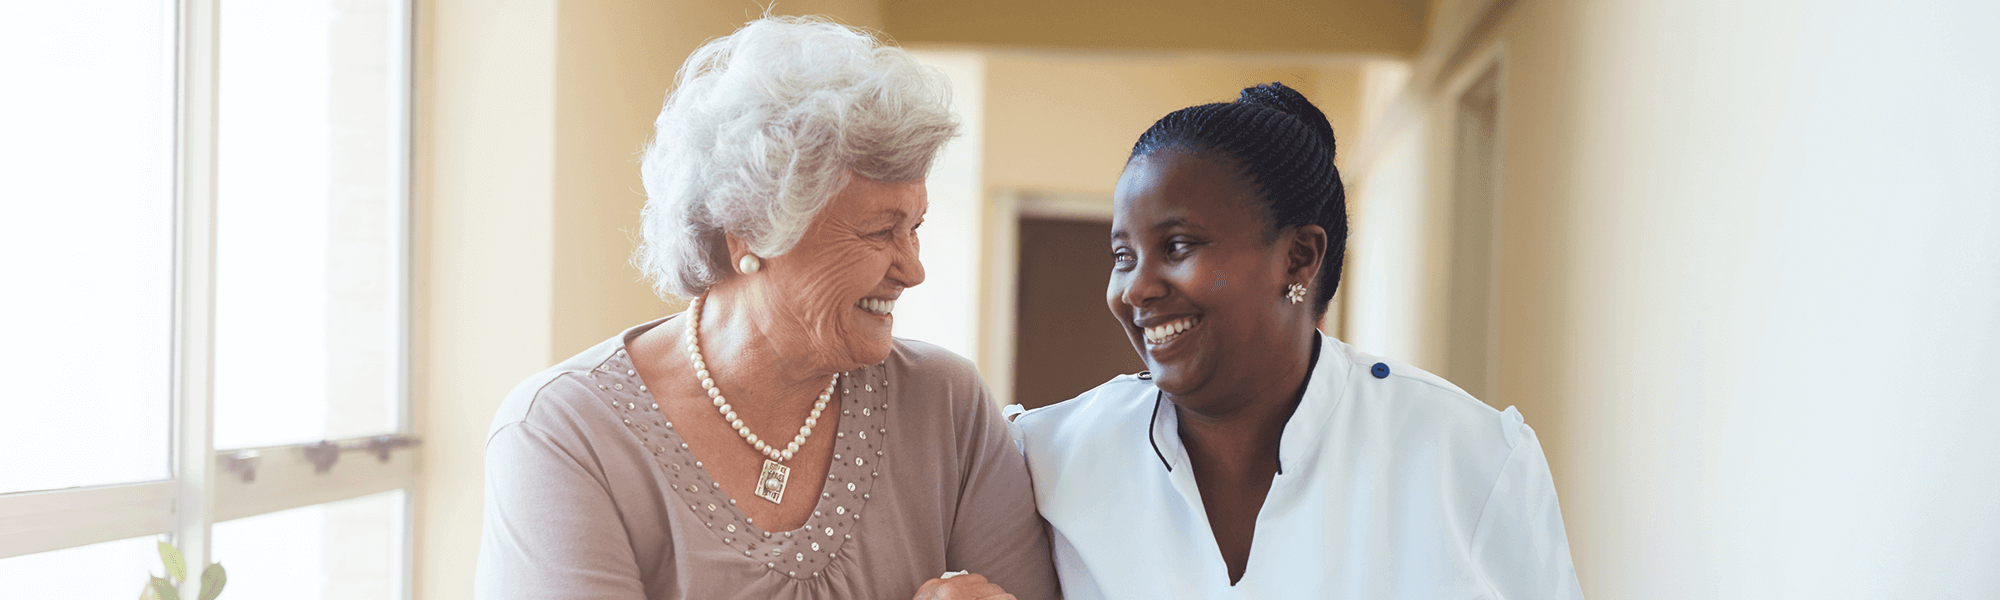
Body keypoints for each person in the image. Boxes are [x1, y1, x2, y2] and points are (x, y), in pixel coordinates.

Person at [475, 17, 1056, 600]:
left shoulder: (944, 406)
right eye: (880, 232)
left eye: (916, 227)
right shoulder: (565, 433)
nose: (912, 269)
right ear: (748, 232)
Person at [1008, 82, 1583, 598]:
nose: (1136, 290)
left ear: (1299, 258)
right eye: (1123, 257)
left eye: (1178, 246)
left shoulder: (1469, 458)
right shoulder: (1047, 460)